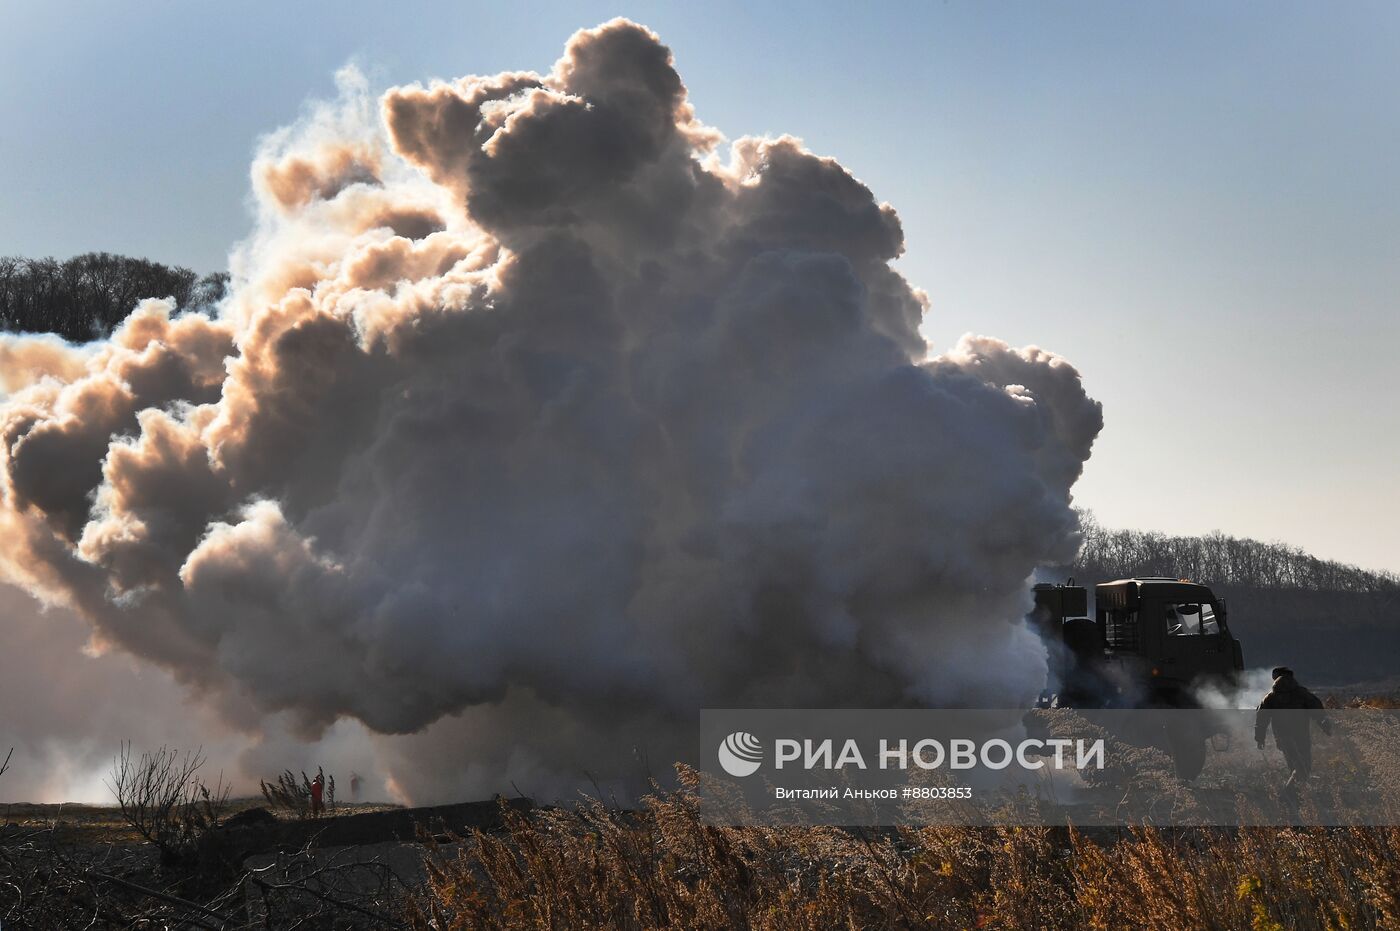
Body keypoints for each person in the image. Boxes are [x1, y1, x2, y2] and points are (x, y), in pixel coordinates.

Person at [1255, 666, 1331, 787]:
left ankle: (1294, 794)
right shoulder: (1302, 693)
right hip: (1301, 735)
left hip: (1281, 737)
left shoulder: (1270, 697)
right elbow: (1317, 710)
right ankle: (1292, 793)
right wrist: (1325, 726)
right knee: (1303, 766)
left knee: (1295, 765)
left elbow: (1261, 718)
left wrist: (1260, 737)